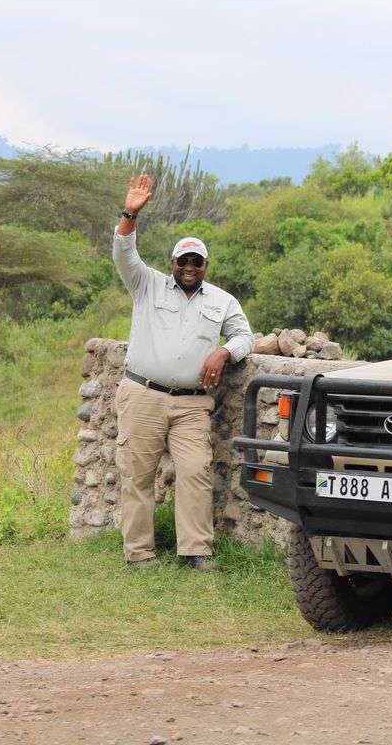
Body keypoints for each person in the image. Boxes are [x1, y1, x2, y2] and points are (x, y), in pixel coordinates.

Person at [111, 174, 253, 570]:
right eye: (183, 260)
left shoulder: (223, 301)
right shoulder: (146, 285)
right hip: (143, 394)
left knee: (195, 472)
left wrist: (224, 352)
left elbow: (245, 337)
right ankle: (139, 553)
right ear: (173, 263)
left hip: (192, 404)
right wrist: (130, 213)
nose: (189, 267)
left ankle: (195, 551)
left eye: (197, 261)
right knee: (138, 475)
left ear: (205, 265)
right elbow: (123, 253)